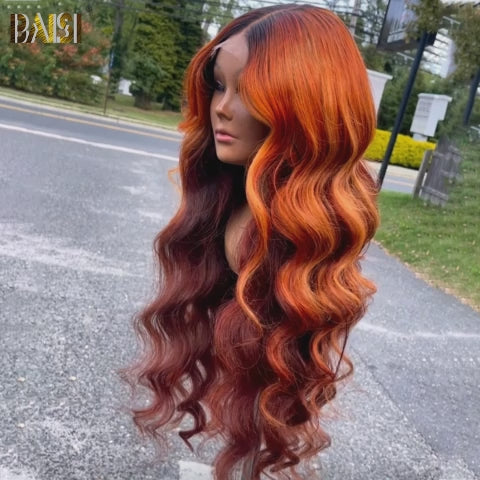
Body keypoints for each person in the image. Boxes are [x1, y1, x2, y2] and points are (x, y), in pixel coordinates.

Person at [124, 4, 380, 479]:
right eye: (220, 85)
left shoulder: (301, 231)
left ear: (305, 104)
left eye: (248, 92)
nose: (221, 107)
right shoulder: (230, 199)